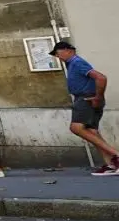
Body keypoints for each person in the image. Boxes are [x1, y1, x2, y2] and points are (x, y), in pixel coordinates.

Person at [50, 41, 119, 175]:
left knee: (76, 127)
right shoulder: (71, 64)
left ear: (68, 50)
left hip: (86, 98)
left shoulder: (76, 62)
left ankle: (116, 154)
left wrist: (98, 97)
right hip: (85, 97)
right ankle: (111, 164)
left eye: (58, 54)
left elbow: (101, 78)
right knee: (92, 131)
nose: (58, 57)